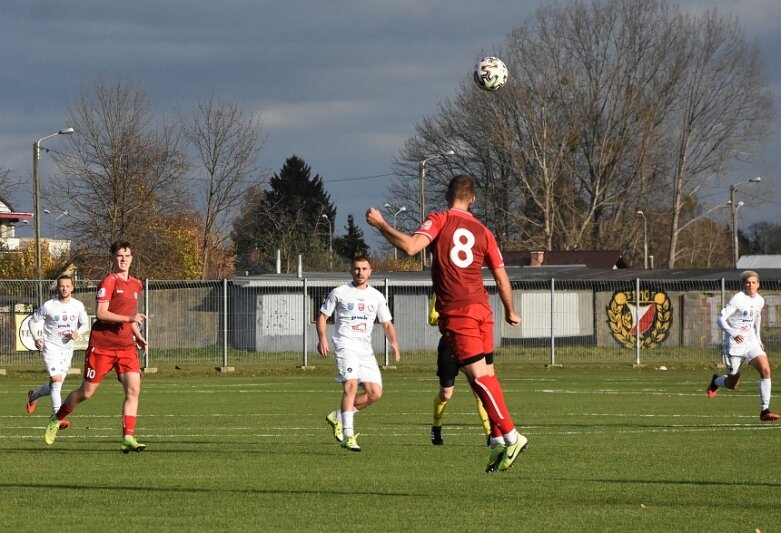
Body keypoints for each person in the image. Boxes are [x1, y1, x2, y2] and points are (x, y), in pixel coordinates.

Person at [367, 174, 527, 473]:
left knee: (479, 377)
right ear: (473, 199)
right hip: (483, 308)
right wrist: (510, 310)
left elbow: (412, 247)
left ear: (446, 194)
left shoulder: (440, 219)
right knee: (484, 375)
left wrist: (382, 225)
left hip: (458, 311)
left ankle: (511, 435)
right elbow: (502, 278)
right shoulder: (484, 231)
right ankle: (495, 439)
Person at [44, 241, 149, 452]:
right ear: (112, 258)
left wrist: (138, 335)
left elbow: (130, 316)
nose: (124, 259)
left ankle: (127, 437)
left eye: (127, 255)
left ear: (132, 258)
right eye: (119, 255)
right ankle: (57, 418)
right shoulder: (108, 282)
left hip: (126, 347)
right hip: (102, 346)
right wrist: (130, 319)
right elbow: (102, 313)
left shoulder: (136, 284)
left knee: (134, 389)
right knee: (86, 392)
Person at [317, 255, 401, 452]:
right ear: (350, 271)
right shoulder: (340, 292)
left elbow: (387, 323)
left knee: (375, 393)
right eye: (356, 268)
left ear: (370, 271)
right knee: (351, 385)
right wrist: (322, 338)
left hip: (365, 349)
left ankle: (338, 415)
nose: (360, 272)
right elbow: (322, 317)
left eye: (364, 269)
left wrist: (394, 342)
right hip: (345, 345)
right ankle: (348, 435)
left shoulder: (377, 296)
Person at [708, 270, 779, 421]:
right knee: (733, 383)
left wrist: (758, 339)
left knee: (766, 369)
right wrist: (733, 333)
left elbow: (756, 318)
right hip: (734, 344)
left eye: (753, 282)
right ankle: (716, 381)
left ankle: (764, 410)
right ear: (743, 285)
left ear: (758, 284)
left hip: (751, 341)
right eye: (748, 282)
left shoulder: (760, 300)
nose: (751, 285)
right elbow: (720, 320)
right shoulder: (738, 299)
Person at [26, 275, 90, 430]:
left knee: (56, 383)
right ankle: (57, 417)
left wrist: (77, 333)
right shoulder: (49, 305)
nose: (64, 288)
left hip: (67, 350)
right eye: (61, 286)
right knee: (56, 380)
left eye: (67, 286)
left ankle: (33, 396)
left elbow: (85, 324)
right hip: (51, 347)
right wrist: (37, 338)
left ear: (72, 287)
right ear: (57, 287)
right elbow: (32, 321)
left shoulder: (78, 305)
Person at [428, 293, 491, 446]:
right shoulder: (441, 291)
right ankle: (436, 426)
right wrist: (452, 317)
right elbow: (432, 319)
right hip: (449, 347)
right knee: (446, 394)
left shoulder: (473, 291)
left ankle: (490, 434)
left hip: (471, 346)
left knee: (480, 391)